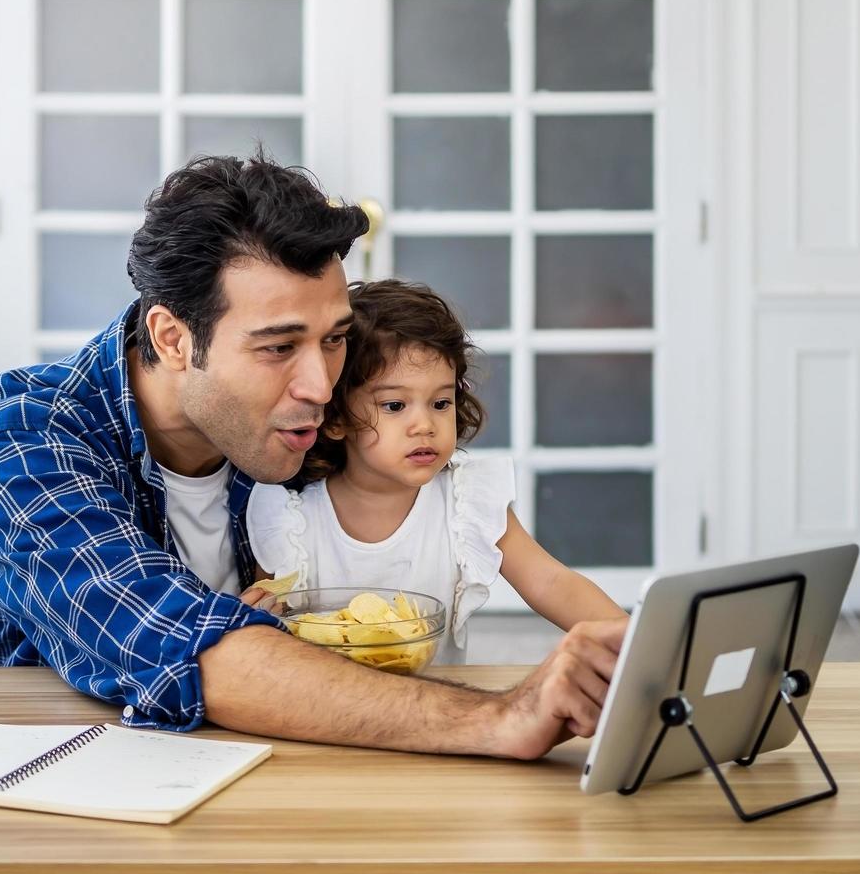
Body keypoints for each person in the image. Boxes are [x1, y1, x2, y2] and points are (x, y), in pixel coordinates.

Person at [0, 151, 628, 759]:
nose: (321, 386)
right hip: (59, 797)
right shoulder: (24, 436)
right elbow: (190, 650)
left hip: (286, 775)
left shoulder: (311, 422)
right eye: (277, 347)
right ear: (175, 339)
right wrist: (502, 714)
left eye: (333, 339)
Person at [241, 279, 626, 663]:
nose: (424, 424)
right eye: (395, 406)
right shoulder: (291, 520)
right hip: (328, 715)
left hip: (440, 708)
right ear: (337, 417)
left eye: (441, 402)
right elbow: (267, 631)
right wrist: (252, 618)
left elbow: (551, 581)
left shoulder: (465, 502)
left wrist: (635, 645)